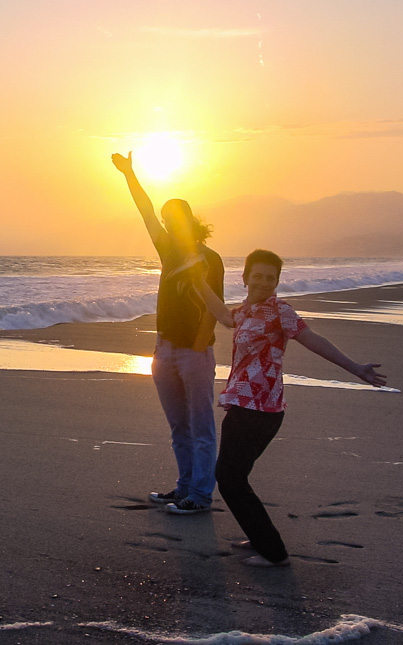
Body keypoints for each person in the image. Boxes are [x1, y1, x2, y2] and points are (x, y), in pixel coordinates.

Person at [192, 249, 387, 566]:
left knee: (229, 479)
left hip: (257, 412)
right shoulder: (245, 312)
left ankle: (273, 552)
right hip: (251, 407)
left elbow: (313, 340)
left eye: (271, 278)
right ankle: (260, 537)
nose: (264, 282)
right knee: (236, 477)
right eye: (257, 276)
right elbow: (223, 316)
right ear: (245, 279)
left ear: (278, 281)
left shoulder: (281, 312)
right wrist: (199, 282)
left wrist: (354, 368)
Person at [112, 151, 224, 515]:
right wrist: (129, 174)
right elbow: (143, 211)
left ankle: (201, 495)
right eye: (165, 219)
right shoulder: (167, 251)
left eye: (175, 219)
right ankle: (184, 487)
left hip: (194, 353)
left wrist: (197, 345)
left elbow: (214, 307)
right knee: (179, 426)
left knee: (201, 426)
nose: (167, 224)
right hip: (164, 351)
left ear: (190, 220)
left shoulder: (209, 258)